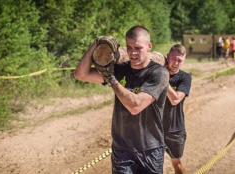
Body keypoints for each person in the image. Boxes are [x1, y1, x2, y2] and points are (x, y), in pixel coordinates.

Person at [73, 26, 169, 174]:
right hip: (122, 150)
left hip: (150, 149)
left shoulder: (158, 73)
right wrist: (97, 44)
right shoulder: (120, 70)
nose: (133, 53)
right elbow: (80, 74)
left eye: (138, 48)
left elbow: (135, 106)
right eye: (129, 47)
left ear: (149, 47)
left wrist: (111, 79)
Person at [163, 44, 192, 174]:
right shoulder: (154, 73)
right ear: (167, 57)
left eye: (179, 60)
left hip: (175, 129)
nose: (175, 63)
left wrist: (162, 78)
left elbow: (175, 99)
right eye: (173, 58)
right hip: (153, 128)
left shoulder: (185, 77)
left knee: (177, 164)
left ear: (184, 61)